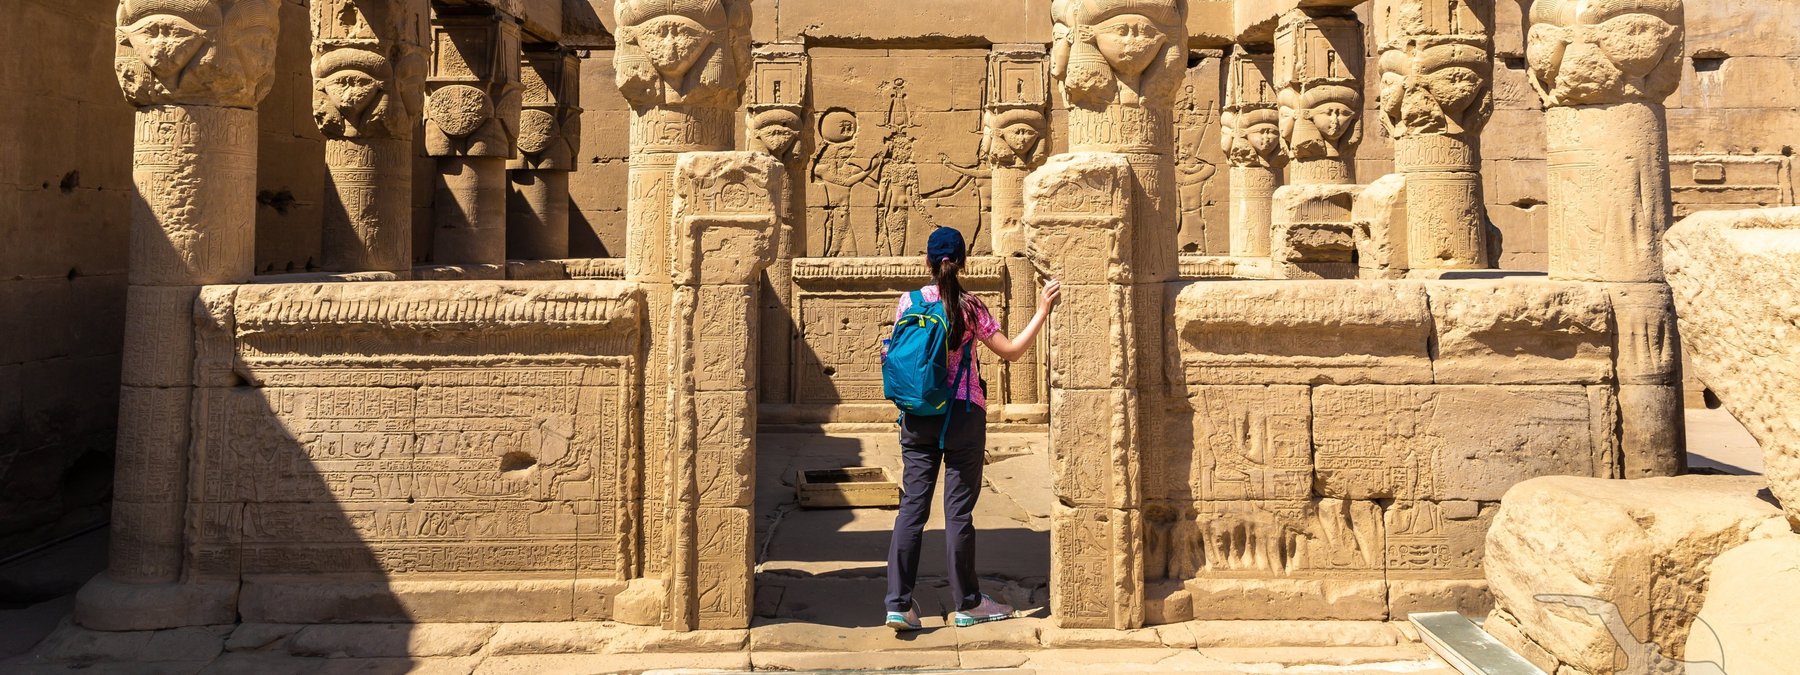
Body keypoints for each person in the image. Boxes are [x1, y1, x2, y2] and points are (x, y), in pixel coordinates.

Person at [883, 226, 1061, 631]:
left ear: (927, 261)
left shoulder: (908, 302)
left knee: (912, 508)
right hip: (962, 414)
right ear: (963, 262)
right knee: (958, 512)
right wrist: (1041, 311)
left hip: (917, 415)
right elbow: (1011, 352)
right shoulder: (970, 307)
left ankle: (898, 604)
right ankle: (967, 603)